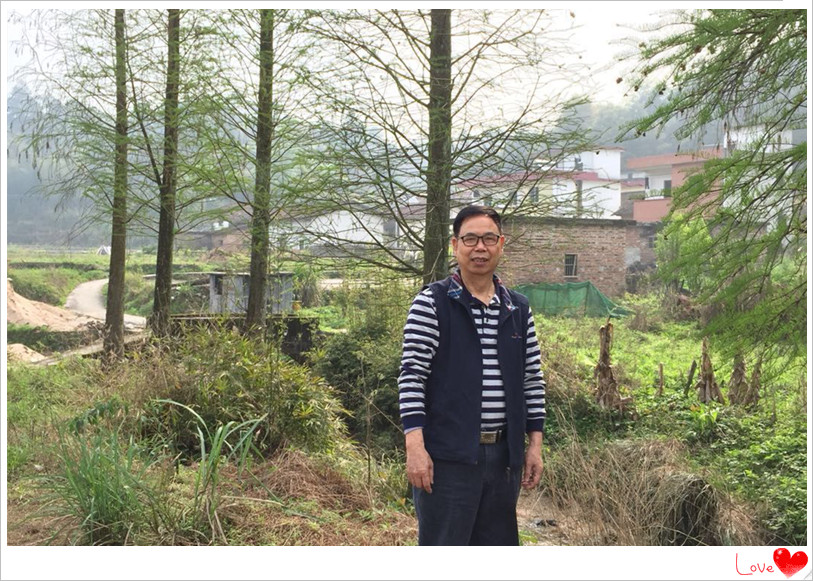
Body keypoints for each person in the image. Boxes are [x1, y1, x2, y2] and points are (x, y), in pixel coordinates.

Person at [398, 204, 546, 546]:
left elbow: (532, 379)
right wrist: (415, 447)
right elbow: (412, 377)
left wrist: (534, 445)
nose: (480, 247)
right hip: (447, 458)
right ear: (455, 245)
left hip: (503, 459)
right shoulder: (432, 304)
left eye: (489, 239)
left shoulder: (517, 308)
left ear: (501, 244)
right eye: (470, 239)